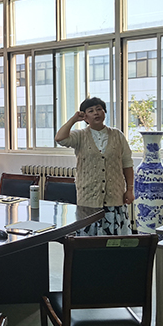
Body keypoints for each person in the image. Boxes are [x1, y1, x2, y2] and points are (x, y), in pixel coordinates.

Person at [54, 97, 135, 235]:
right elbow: (60, 138)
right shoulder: (80, 136)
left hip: (114, 198)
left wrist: (130, 189)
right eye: (90, 111)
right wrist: (73, 119)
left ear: (104, 112)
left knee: (114, 241)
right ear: (85, 117)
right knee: (89, 241)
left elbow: (127, 163)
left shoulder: (117, 135)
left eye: (99, 109)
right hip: (88, 199)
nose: (96, 113)